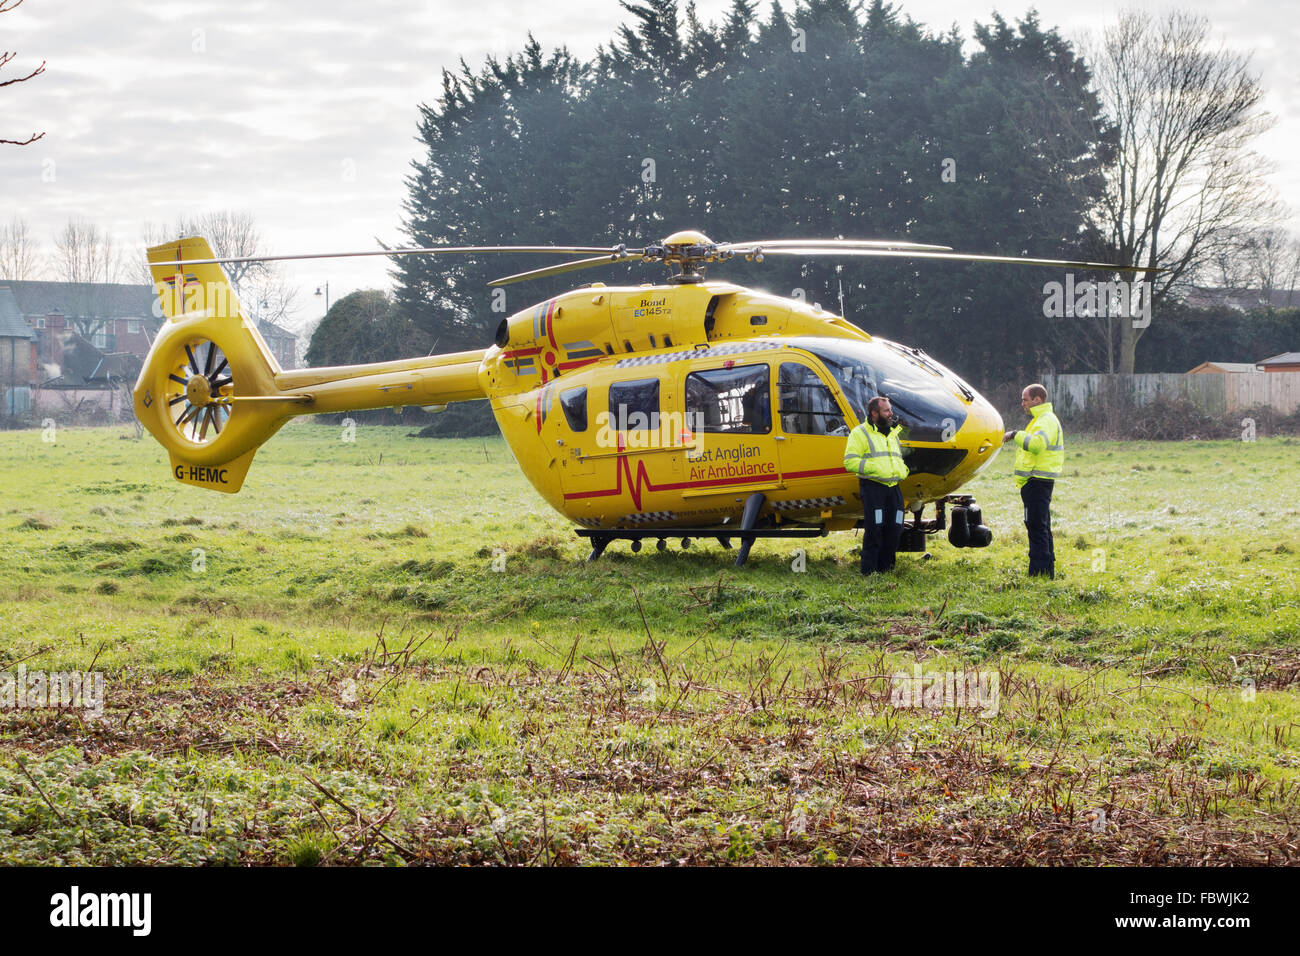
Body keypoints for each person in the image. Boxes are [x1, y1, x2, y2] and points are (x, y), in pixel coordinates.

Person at [1003, 383, 1064, 578]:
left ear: (1037, 400)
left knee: (1036, 527)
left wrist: (1015, 434)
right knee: (1041, 526)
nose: (1022, 403)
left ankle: (1039, 574)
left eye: (1025, 399)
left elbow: (1036, 445)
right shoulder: (1041, 419)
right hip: (1036, 482)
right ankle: (1047, 572)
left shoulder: (1045, 420)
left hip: (1037, 482)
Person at [843, 396, 909, 575]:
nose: (891, 414)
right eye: (886, 410)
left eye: (890, 410)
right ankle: (869, 572)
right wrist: (877, 469)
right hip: (873, 489)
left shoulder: (893, 434)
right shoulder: (860, 433)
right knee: (875, 529)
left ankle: (887, 570)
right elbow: (849, 462)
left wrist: (903, 470)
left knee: (895, 529)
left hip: (894, 489)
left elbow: (896, 459)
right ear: (874, 413)